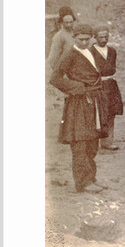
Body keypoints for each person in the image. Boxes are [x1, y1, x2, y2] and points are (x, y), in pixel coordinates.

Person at [49, 22, 107, 194]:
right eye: (80, 39)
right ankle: (82, 182)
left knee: (92, 142)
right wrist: (77, 87)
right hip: (79, 104)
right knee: (80, 143)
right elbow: (55, 78)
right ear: (74, 37)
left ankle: (91, 177)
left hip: (93, 102)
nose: (84, 42)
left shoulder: (90, 51)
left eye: (87, 40)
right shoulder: (70, 55)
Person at [92, 26, 123, 151]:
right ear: (95, 37)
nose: (104, 39)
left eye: (106, 37)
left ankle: (108, 141)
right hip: (97, 85)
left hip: (110, 84)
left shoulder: (112, 51)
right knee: (97, 112)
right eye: (101, 37)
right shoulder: (91, 51)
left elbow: (112, 68)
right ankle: (93, 141)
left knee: (111, 112)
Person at [46, 6, 76, 74]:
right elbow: (52, 59)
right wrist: (60, 72)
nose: (69, 25)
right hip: (64, 71)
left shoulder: (75, 33)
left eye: (71, 22)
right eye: (66, 22)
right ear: (62, 22)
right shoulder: (58, 37)